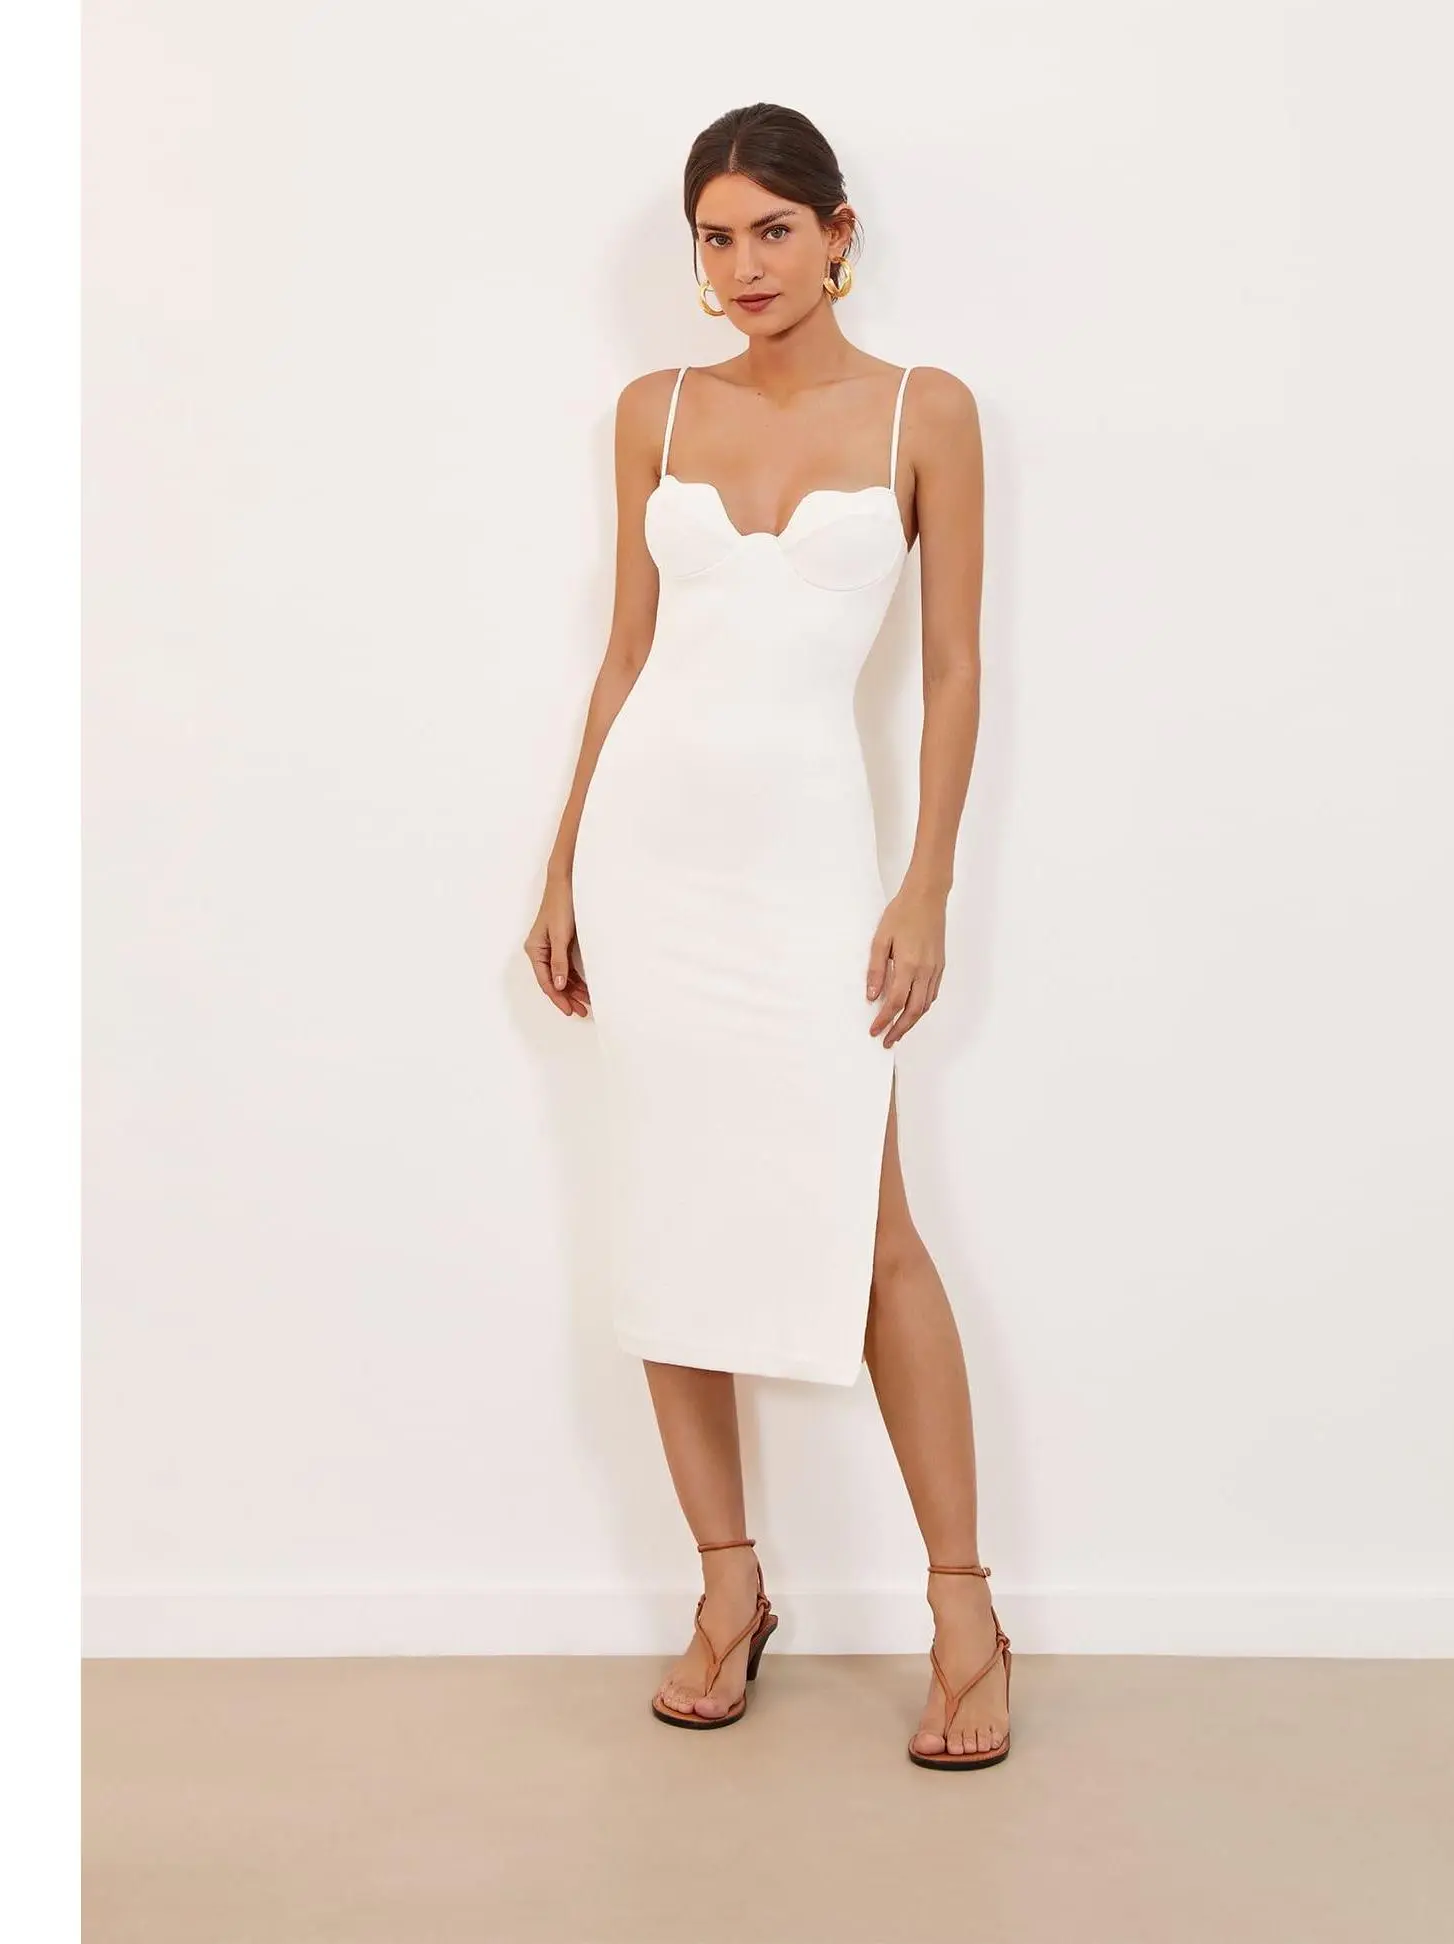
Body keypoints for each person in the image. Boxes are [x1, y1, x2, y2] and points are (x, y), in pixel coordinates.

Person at [524, 102, 1009, 1770]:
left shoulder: (926, 412)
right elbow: (625, 654)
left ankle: (966, 1614)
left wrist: (926, 881)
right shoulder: (652, 412)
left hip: (812, 865)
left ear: (838, 233)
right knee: (667, 1215)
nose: (744, 267)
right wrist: (563, 864)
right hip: (650, 860)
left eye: (773, 232)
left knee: (875, 1237)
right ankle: (728, 1588)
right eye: (717, 239)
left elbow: (955, 669)